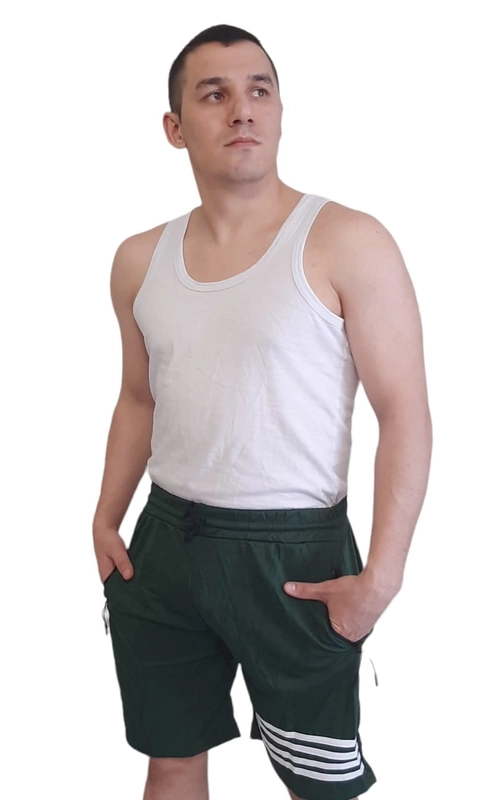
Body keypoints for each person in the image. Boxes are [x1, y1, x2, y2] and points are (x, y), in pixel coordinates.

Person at [92, 23, 433, 800]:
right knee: (172, 761)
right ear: (176, 127)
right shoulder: (139, 259)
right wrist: (106, 518)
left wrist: (381, 577)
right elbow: (139, 397)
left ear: (279, 111)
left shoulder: (347, 241)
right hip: (166, 545)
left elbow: (405, 412)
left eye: (259, 90)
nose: (242, 109)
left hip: (295, 558)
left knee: (320, 785)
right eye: (214, 94)